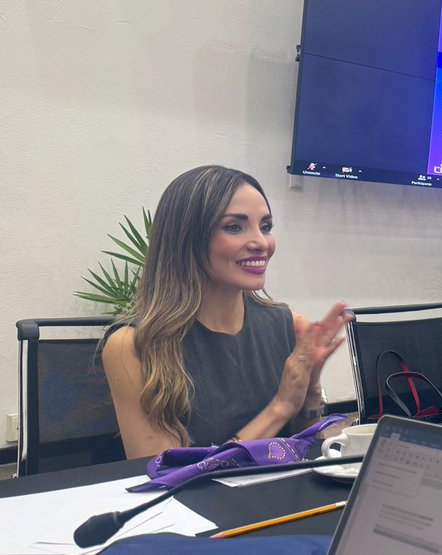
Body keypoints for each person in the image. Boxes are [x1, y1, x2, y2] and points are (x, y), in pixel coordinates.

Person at [102, 166, 350, 458]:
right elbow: (164, 475)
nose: (261, 243)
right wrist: (279, 407)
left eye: (266, 226)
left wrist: (309, 391)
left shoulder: (288, 324)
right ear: (187, 239)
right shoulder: (132, 345)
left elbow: (301, 452)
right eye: (234, 227)